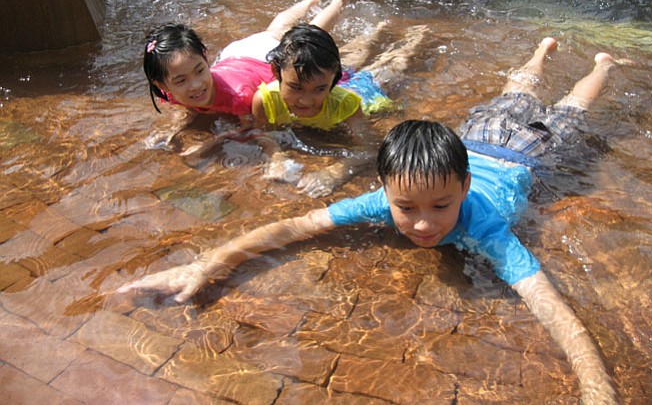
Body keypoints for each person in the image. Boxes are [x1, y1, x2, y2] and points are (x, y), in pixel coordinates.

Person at [119, 39, 623, 404]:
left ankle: (602, 65)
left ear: (464, 190)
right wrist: (205, 266)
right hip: (473, 139)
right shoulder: (390, 197)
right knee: (516, 93)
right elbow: (293, 228)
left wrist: (597, 392)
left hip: (526, 153)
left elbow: (557, 315)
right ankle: (540, 53)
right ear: (385, 192)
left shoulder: (486, 225)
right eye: (407, 209)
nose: (424, 225)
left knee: (573, 105)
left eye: (441, 207)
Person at [142, 0, 398, 197]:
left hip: (253, 60)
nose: (195, 85)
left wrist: (209, 144)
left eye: (199, 70)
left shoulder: (243, 97)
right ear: (162, 86)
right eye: (181, 81)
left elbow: (250, 129)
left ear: (205, 58)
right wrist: (174, 130)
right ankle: (309, 1)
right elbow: (186, 109)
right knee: (275, 29)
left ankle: (337, 1)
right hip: (234, 58)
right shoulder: (169, 93)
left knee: (308, 39)